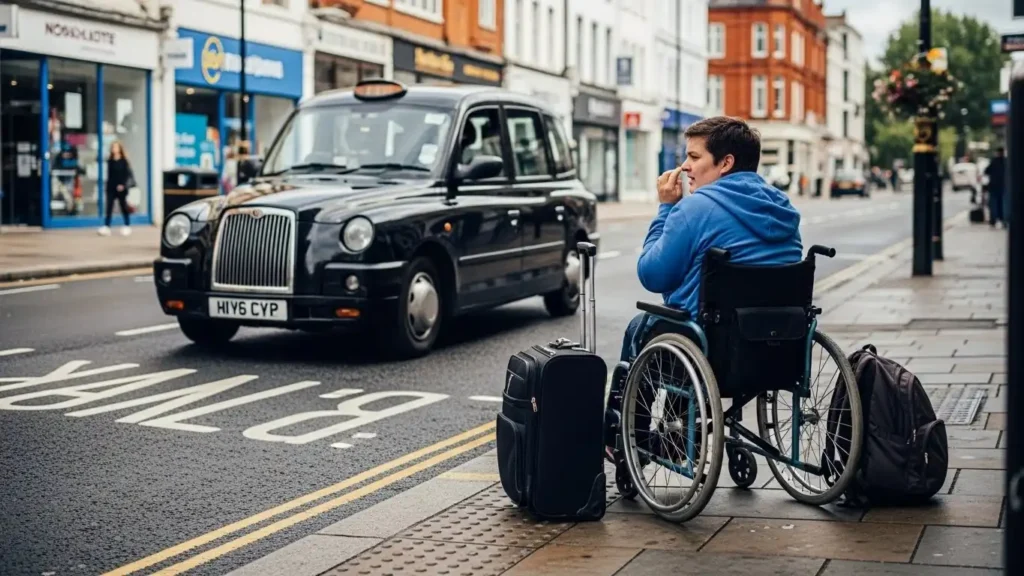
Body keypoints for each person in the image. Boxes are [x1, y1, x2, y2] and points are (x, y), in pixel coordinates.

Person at [617, 116, 804, 366]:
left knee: (638, 326)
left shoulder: (695, 209)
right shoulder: (784, 210)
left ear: (726, 163)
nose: (684, 166)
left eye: (694, 157)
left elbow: (652, 276)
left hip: (710, 350)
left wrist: (666, 208)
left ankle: (629, 393)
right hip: (778, 348)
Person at [98, 141, 135, 236]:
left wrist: (122, 185)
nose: (114, 149)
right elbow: (109, 175)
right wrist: (108, 186)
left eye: (116, 147)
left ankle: (127, 225)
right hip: (111, 187)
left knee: (123, 206)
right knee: (109, 207)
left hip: (121, 188)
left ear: (120, 149)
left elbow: (126, 175)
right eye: (113, 147)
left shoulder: (124, 161)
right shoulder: (110, 161)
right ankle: (107, 226)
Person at [984, 147, 1006, 228]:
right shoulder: (1006, 161)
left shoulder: (994, 161)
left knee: (993, 204)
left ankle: (993, 220)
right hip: (1003, 186)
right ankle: (1003, 220)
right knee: (1002, 204)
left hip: (994, 186)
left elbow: (986, 171)